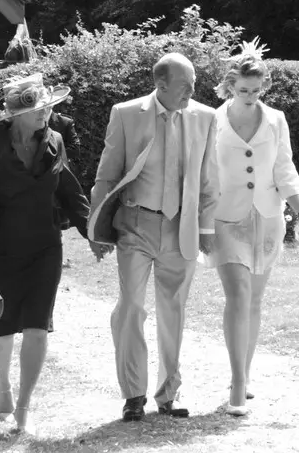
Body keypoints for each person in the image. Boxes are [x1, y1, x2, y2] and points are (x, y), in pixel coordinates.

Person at [88, 53, 220, 422]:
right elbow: (107, 175)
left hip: (183, 229)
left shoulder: (206, 117)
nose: (192, 91)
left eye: (194, 84)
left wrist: (206, 228)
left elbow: (209, 180)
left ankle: (169, 394)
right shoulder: (126, 113)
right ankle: (134, 395)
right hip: (135, 224)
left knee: (173, 311)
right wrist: (96, 227)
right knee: (131, 306)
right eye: (186, 85)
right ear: (161, 85)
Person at [0, 75, 89, 435]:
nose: (47, 113)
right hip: (1, 250)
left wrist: (92, 231)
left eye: (48, 107)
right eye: (38, 109)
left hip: (45, 248)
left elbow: (69, 189)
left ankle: (24, 406)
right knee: (2, 329)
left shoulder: (55, 140)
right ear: (16, 114)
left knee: (38, 326)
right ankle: (3, 384)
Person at [206, 40, 299, 416]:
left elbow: (284, 169)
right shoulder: (212, 119)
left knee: (254, 300)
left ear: (263, 85)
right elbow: (205, 173)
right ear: (230, 86)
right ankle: (237, 383)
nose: (250, 97)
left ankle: (246, 374)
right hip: (225, 218)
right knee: (237, 295)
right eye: (243, 91)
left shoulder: (277, 119)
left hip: (267, 218)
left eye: (256, 91)